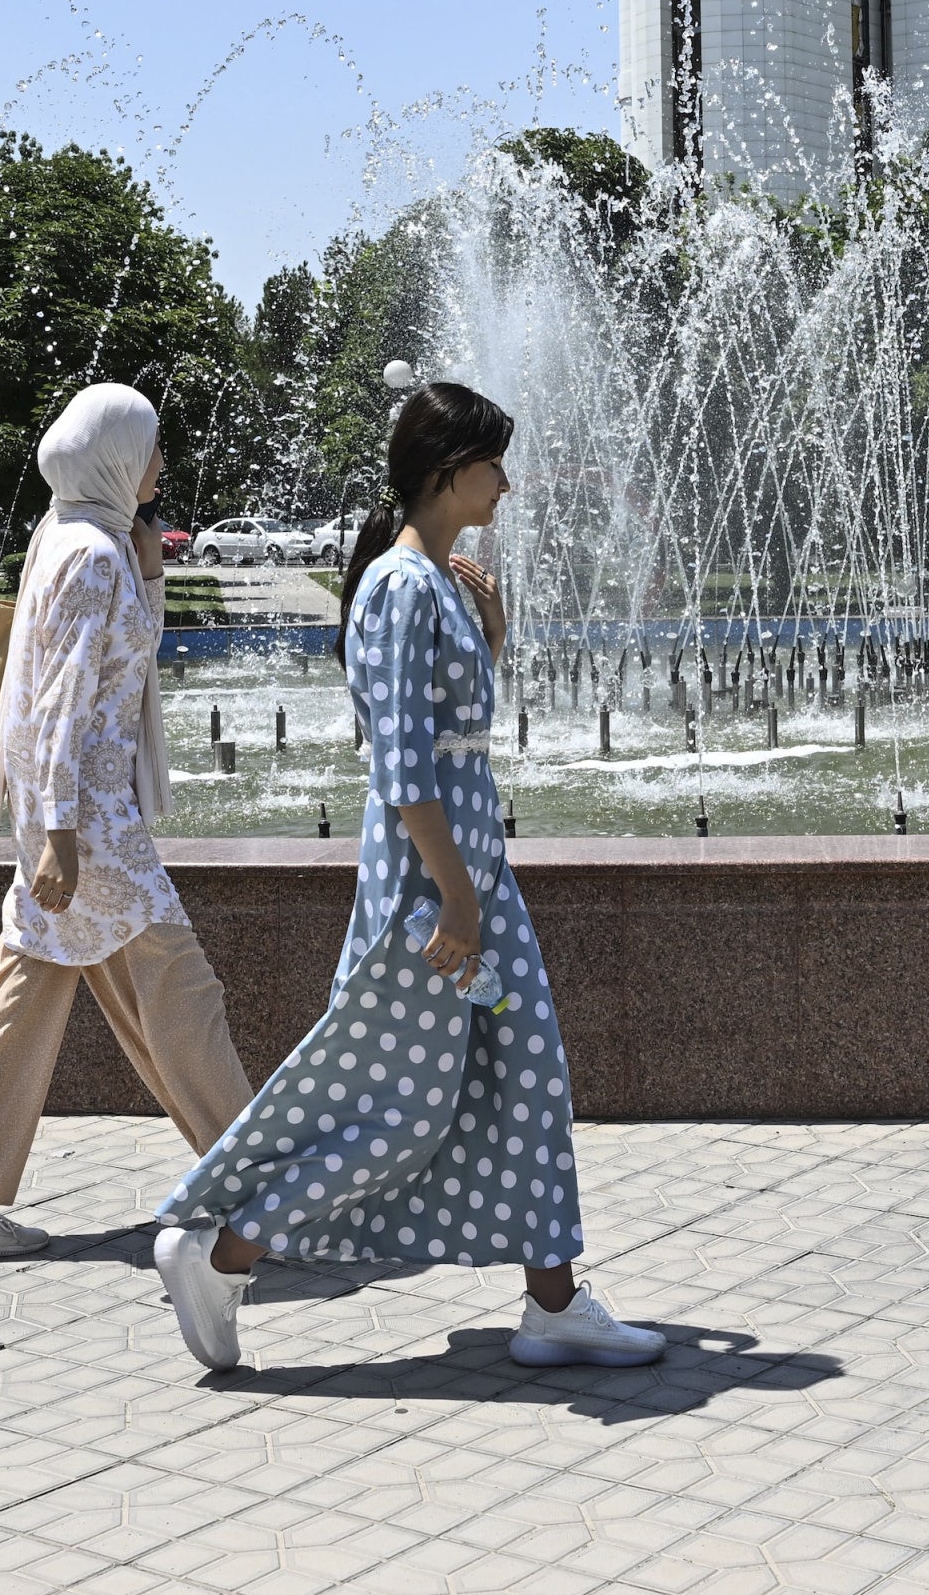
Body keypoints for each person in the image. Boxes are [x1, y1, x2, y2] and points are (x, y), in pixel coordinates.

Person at [148, 379, 663, 1372]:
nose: (507, 483)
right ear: (446, 470)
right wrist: (458, 899)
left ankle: (553, 1297)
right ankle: (221, 1248)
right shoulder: (398, 586)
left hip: (465, 883)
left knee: (523, 1073)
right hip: (432, 901)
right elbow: (403, 766)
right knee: (402, 1109)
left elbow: (448, 733)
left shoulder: (432, 582)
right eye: (492, 464)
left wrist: (492, 635)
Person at [0, 382, 254, 1262]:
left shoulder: (79, 538)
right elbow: (55, 700)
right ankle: (258, 1194)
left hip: (78, 810)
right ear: (114, 454)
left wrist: (148, 567)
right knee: (184, 997)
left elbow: (116, 665)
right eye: (152, 445)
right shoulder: (87, 554)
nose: (163, 461)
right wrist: (59, 829)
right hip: (89, 819)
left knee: (22, 994)